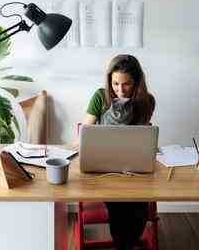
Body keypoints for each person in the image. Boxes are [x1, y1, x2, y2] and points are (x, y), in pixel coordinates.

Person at [83, 54, 156, 250]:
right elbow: (85, 133)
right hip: (105, 167)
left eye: (126, 84)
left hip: (135, 168)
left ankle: (125, 245)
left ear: (137, 82)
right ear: (109, 80)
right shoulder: (100, 96)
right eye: (115, 84)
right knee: (120, 208)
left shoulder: (146, 101)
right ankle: (124, 245)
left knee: (138, 210)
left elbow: (144, 137)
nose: (120, 90)